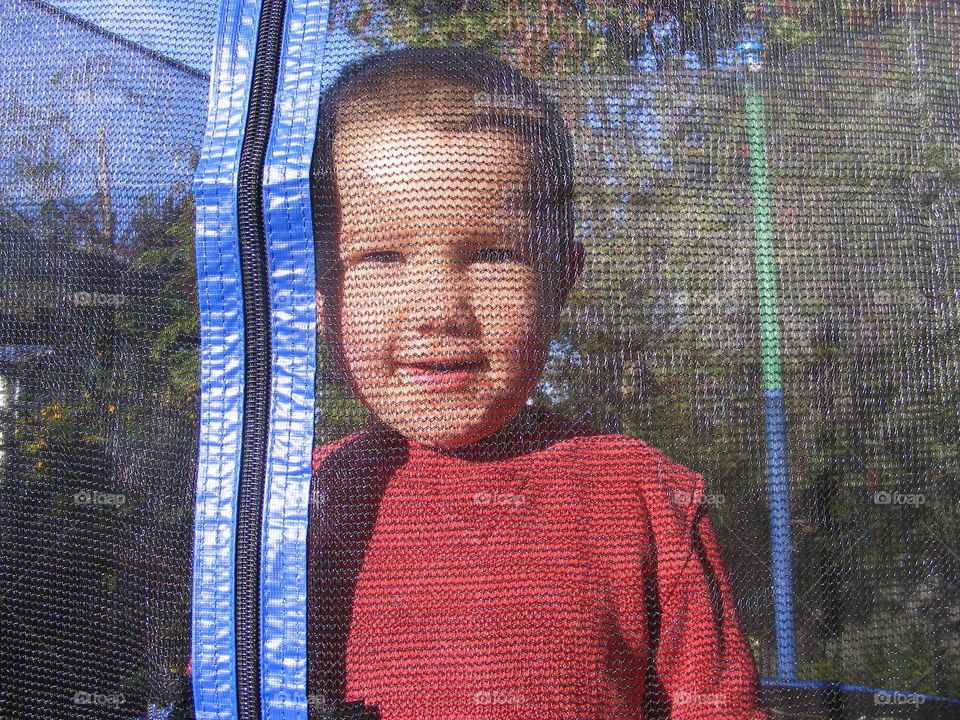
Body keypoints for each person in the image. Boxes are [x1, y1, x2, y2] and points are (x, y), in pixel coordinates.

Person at [307, 46, 770, 720]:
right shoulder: (286, 509)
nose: (438, 309)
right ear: (319, 296)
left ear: (562, 279)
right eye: (380, 257)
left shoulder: (643, 498)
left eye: (493, 255)